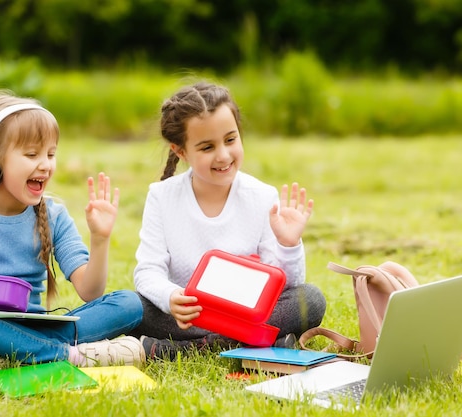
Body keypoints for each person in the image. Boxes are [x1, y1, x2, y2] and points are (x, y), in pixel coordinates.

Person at [0, 90, 145, 369]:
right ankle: (69, 355)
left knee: (130, 303)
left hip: (35, 327)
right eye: (32, 154)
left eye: (51, 154)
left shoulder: (53, 215)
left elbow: (90, 292)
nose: (45, 164)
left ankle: (3, 354)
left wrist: (100, 239)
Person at [129, 82, 327, 359]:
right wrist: (171, 297)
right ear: (181, 151)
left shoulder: (262, 196)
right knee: (133, 307)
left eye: (230, 140)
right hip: (190, 316)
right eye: (207, 147)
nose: (223, 155)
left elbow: (286, 285)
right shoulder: (161, 197)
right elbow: (148, 272)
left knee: (310, 300)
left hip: (247, 313)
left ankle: (188, 350)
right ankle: (256, 343)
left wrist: (289, 244)